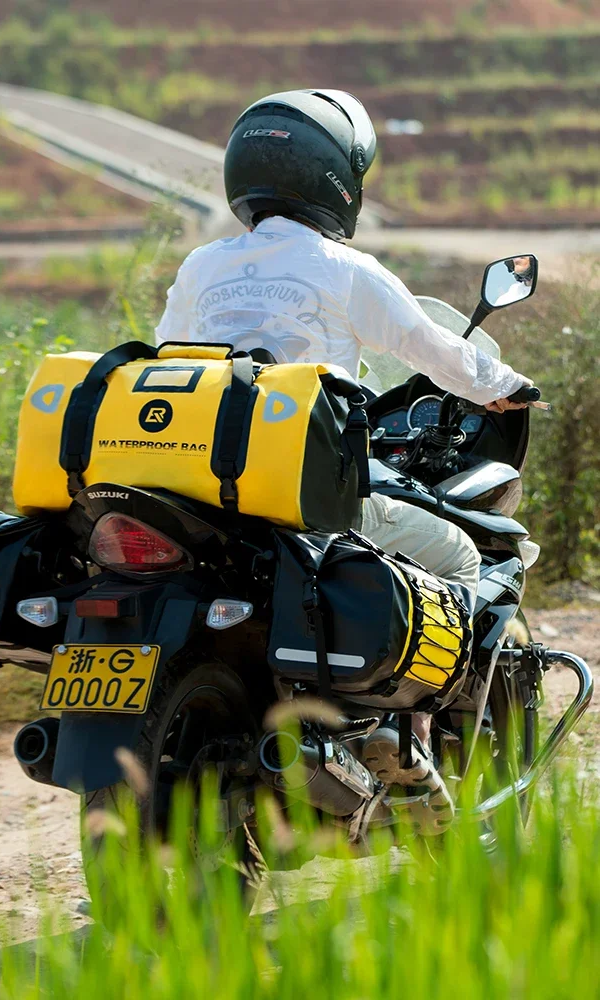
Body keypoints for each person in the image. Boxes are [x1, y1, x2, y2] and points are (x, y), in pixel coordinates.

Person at [154, 89, 533, 798]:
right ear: (336, 179)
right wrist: (505, 386)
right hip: (300, 487)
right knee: (456, 553)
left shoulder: (202, 266)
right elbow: (434, 349)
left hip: (199, 485)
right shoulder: (342, 269)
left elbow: (167, 357)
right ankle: (410, 743)